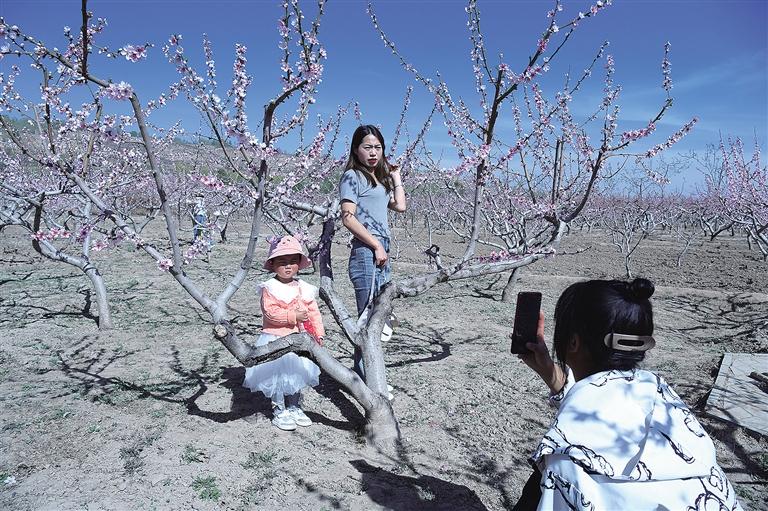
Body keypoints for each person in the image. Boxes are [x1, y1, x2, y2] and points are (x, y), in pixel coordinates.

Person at [515, 278, 743, 511]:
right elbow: (604, 404)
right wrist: (551, 374)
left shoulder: (567, 456)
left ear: (573, 342)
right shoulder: (661, 397)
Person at [338, 125, 406, 378]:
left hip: (381, 250)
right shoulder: (352, 177)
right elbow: (348, 217)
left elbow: (400, 206)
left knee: (379, 314)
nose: (373, 152)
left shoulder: (378, 179)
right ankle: (369, 378)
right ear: (356, 149)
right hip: (368, 250)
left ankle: (372, 377)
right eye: (367, 147)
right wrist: (375, 245)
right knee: (368, 318)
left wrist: (396, 177)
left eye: (378, 147)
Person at [242, 236, 325, 431]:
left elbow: (313, 312)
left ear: (299, 264)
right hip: (275, 339)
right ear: (272, 265)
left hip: (298, 340)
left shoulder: (303, 288)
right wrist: (292, 315)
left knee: (295, 375)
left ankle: (295, 406)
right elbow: (270, 312)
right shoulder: (269, 288)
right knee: (277, 377)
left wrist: (318, 333)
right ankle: (279, 410)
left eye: (293, 262)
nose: (288, 267)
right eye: (282, 262)